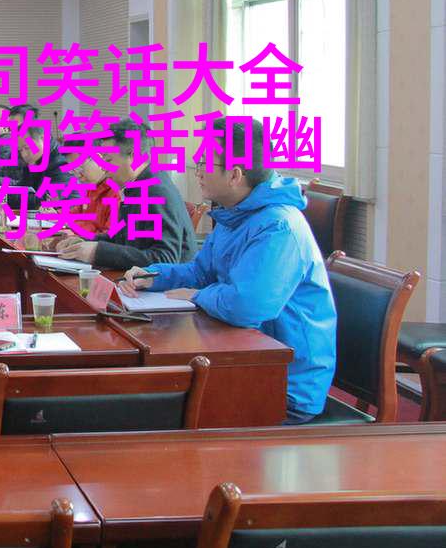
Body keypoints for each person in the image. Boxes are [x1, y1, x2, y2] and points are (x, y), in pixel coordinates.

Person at [118, 118, 337, 424]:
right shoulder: (235, 213)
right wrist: (153, 276)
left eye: (204, 163)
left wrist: (197, 295)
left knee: (152, 409)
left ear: (235, 175)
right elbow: (200, 272)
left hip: (284, 385)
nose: (197, 171)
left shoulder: (278, 227)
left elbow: (246, 306)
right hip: (241, 360)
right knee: (144, 394)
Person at [55, 119, 194, 268]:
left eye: (108, 160)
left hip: (167, 282)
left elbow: (165, 258)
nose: (103, 168)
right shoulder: (136, 186)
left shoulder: (157, 192)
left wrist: (97, 252)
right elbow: (122, 239)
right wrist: (85, 242)